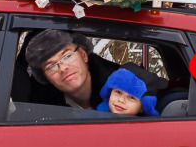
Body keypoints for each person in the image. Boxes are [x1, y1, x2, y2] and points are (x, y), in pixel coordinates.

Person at [23, 28, 162, 110]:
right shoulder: (41, 110)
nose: (63, 67)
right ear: (45, 77)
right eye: (51, 66)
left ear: (83, 55)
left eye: (67, 56)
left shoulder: (125, 86)